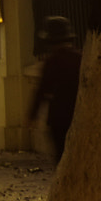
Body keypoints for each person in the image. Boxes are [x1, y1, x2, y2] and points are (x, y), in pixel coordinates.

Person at [28, 15, 83, 162]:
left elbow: (42, 90)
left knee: (61, 153)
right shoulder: (80, 58)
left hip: (58, 115)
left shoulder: (52, 61)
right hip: (78, 112)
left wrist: (33, 115)